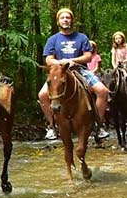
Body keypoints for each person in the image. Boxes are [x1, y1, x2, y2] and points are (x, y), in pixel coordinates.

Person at [38, 8, 109, 140]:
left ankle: (98, 124)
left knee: (103, 91)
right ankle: (51, 126)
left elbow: (88, 56)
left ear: (72, 20)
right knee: (42, 95)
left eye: (68, 17)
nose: (65, 20)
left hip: (79, 70)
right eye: (62, 18)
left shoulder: (82, 37)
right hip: (59, 73)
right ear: (58, 21)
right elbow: (48, 59)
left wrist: (72, 61)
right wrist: (61, 63)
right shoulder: (53, 39)